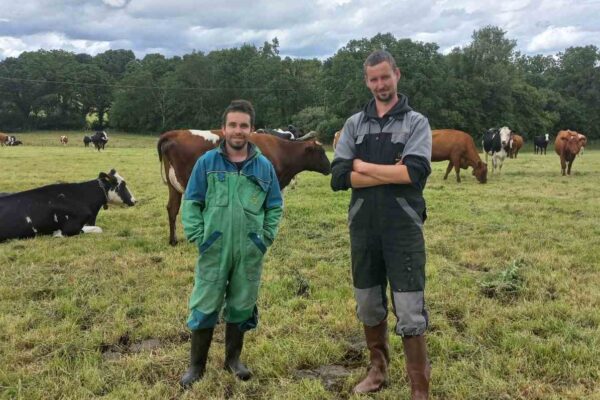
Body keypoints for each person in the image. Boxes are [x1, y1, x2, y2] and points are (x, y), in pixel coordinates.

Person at [330, 50, 432, 398]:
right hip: (363, 227)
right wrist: (390, 172)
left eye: (385, 77)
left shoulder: (416, 123)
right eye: (373, 79)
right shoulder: (354, 124)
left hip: (403, 228)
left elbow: (414, 173)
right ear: (367, 81)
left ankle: (420, 388)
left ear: (397, 75)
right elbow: (339, 177)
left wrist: (362, 165)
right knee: (369, 303)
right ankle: (378, 371)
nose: (380, 84)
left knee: (409, 309)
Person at [180, 99, 283, 388]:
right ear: (224, 129)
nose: (238, 131)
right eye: (233, 125)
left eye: (244, 125)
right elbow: (191, 202)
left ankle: (233, 360)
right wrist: (200, 237)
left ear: (251, 129)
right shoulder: (206, 163)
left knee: (242, 304)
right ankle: (196, 366)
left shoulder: (263, 167)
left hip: (250, 250)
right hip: (214, 248)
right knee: (205, 303)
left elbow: (274, 206)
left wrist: (265, 238)